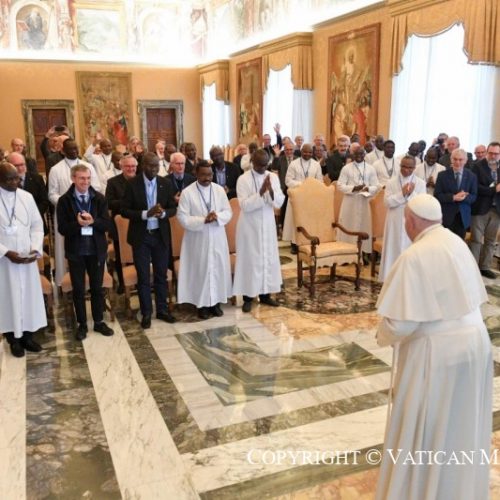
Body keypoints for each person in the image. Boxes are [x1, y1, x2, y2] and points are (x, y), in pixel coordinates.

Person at [375, 193, 492, 500]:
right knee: (460, 426)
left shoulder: (414, 256)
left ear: (412, 222)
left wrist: (381, 334)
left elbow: (400, 324)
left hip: (438, 355)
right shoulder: (457, 243)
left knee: (429, 428)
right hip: (476, 344)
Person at [57, 165, 114, 340]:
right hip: (76, 252)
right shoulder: (64, 201)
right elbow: (62, 228)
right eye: (82, 178)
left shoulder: (99, 198)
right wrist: (78, 224)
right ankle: (82, 324)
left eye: (88, 178)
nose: (86, 182)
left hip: (96, 250)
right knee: (79, 290)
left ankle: (98, 321)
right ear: (73, 178)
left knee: (97, 288)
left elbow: (107, 224)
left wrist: (93, 222)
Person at [121, 152, 177, 328]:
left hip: (160, 236)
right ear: (143, 166)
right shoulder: (132, 184)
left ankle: (162, 310)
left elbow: (173, 208)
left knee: (161, 274)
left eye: (156, 166)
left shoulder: (165, 183)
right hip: (141, 236)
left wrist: (164, 213)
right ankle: (146, 313)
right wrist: (146, 214)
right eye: (151, 166)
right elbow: (124, 210)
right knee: (144, 276)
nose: (154, 169)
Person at [0, 162, 46, 357]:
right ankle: (13, 340)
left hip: (27, 259)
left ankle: (28, 337)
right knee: (8, 298)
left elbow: (37, 226)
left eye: (16, 178)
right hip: (5, 261)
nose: (14, 182)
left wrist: (35, 249)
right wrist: (6, 252)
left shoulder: (26, 197)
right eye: (9, 179)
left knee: (28, 297)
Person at [176, 161, 233, 319]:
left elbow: (228, 212)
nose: (207, 178)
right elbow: (182, 217)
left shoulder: (219, 190)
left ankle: (215, 303)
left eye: (209, 175)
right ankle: (202, 305)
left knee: (216, 269)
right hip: (197, 239)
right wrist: (203, 220)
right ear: (196, 174)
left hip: (217, 236)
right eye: (203, 175)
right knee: (200, 270)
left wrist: (217, 216)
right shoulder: (187, 192)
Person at [233, 149, 285, 312]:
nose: (263, 168)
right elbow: (245, 205)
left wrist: (270, 191)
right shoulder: (243, 179)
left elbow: (279, 201)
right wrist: (261, 192)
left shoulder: (273, 177)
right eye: (259, 165)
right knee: (250, 260)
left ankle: (265, 295)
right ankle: (248, 297)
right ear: (252, 163)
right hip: (249, 225)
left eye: (265, 165)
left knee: (267, 258)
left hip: (267, 224)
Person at [48, 139, 101, 286]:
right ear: (63, 151)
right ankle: (65, 282)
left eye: (76, 148)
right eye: (70, 149)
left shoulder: (88, 166)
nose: (74, 151)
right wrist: (67, 204)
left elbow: (96, 187)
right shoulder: (55, 169)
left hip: (90, 212)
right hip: (66, 215)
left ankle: (94, 282)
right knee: (68, 249)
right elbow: (51, 194)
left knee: (92, 249)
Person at [378, 156, 426, 282]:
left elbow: (421, 203)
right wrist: (402, 194)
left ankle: (409, 279)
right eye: (403, 166)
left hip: (412, 221)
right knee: (393, 248)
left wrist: (410, 193)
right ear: (400, 166)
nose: (406, 170)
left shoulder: (420, 183)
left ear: (414, 168)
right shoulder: (391, 182)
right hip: (394, 219)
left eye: (409, 167)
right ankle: (390, 278)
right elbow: (387, 202)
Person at [337, 147, 379, 255]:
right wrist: (354, 188)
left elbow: (376, 185)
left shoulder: (370, 168)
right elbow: (339, 185)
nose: (359, 156)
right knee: (348, 225)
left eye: (361, 154)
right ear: (353, 155)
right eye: (357, 154)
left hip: (365, 201)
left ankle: (363, 252)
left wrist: (368, 188)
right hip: (350, 202)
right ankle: (346, 251)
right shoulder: (346, 168)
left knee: (364, 225)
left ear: (365, 154)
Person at [282, 144, 323, 253]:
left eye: (310, 152)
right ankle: (294, 244)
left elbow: (320, 180)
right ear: (301, 152)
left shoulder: (316, 164)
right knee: (295, 220)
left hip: (311, 197)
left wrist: (311, 185)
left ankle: (307, 242)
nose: (307, 154)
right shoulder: (293, 164)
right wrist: (303, 184)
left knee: (308, 221)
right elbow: (288, 181)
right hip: (297, 196)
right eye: (305, 152)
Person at [105, 154, 138, 293]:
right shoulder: (113, 182)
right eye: (127, 166)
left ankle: (137, 280)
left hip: (137, 223)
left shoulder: (141, 180)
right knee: (121, 255)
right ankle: (123, 283)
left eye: (133, 166)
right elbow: (109, 203)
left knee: (138, 253)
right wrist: (126, 201)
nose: (131, 169)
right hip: (119, 225)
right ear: (121, 167)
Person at [470, 141, 500, 279]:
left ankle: (485, 267)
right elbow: (475, 187)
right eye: (491, 153)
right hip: (480, 207)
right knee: (476, 239)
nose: (493, 156)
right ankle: (472, 267)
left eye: (496, 154)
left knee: (491, 240)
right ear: (487, 152)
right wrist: (494, 190)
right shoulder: (477, 166)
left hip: (496, 209)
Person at [434, 148, 477, 239]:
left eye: (460, 160)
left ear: (465, 161)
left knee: (460, 244)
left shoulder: (472, 176)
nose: (457, 162)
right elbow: (437, 195)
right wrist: (453, 197)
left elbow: (474, 196)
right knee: (445, 242)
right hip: (446, 217)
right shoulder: (442, 175)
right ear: (451, 159)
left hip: (462, 218)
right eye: (455, 159)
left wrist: (464, 197)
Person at [7, 152, 49, 233]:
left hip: (35, 225)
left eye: (22, 164)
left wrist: (32, 215)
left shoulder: (37, 179)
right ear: (9, 166)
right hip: (13, 227)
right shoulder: (4, 182)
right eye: (16, 165)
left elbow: (44, 201)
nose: (20, 168)